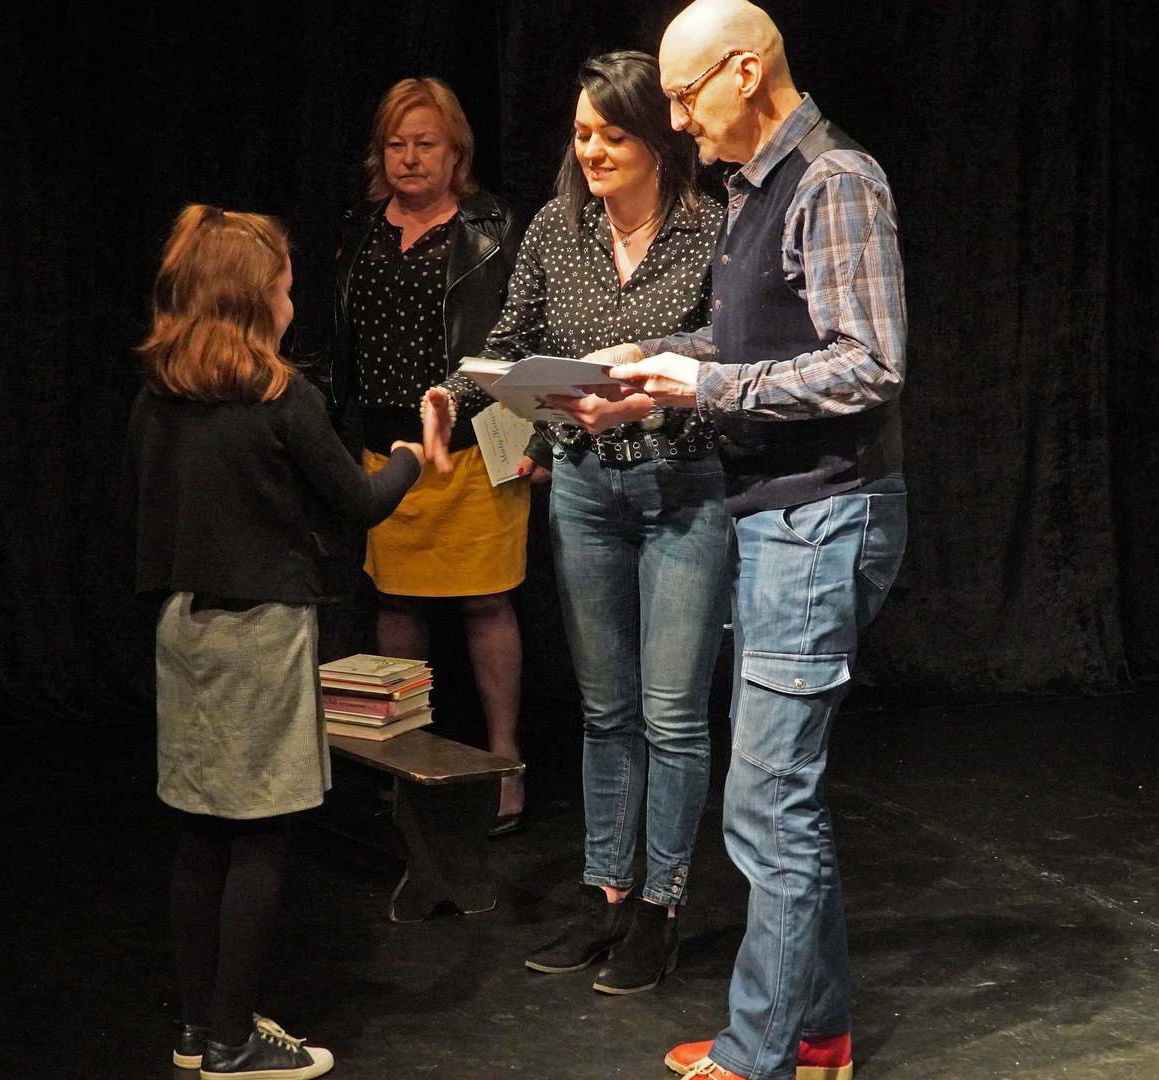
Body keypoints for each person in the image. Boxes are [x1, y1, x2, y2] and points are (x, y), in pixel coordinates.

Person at [577, 3, 909, 1077]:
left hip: (822, 517)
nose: (676, 121)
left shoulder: (833, 179)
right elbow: (752, 339)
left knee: (768, 802)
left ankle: (761, 1053)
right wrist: (649, 369)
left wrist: (704, 385)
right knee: (779, 799)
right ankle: (815, 1034)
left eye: (684, 95)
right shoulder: (754, 191)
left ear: (745, 70)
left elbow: (869, 361)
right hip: (776, 517)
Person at [421, 51, 729, 995]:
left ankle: (660, 907)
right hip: (588, 492)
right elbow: (511, 343)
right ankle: (605, 896)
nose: (590, 150)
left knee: (671, 713)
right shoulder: (559, 228)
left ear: (658, 143)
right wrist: (459, 397)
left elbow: (733, 353)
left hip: (682, 487)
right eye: (582, 134)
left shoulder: (713, 229)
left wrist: (647, 380)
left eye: (611, 136)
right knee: (606, 710)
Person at [125, 206, 425, 1080]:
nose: (293, 304)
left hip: (183, 628)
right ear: (254, 299)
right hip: (259, 634)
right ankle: (232, 1041)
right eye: (286, 289)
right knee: (259, 835)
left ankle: (197, 1028)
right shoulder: (281, 399)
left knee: (201, 833)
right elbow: (359, 504)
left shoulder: (157, 395)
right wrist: (413, 457)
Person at [326, 77, 528, 829]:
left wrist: (528, 434)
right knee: (397, 601)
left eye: (425, 144)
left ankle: (504, 759)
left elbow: (523, 335)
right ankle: (403, 754)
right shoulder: (359, 229)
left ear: (456, 153)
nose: (409, 158)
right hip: (385, 452)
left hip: (474, 445)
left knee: (486, 601)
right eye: (396, 144)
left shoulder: (494, 227)